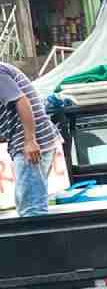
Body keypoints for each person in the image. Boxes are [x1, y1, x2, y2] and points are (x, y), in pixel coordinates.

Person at [1, 61, 60, 217]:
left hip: (30, 142)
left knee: (32, 210)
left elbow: (21, 101)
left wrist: (30, 140)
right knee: (28, 206)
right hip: (32, 140)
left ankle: (38, 241)